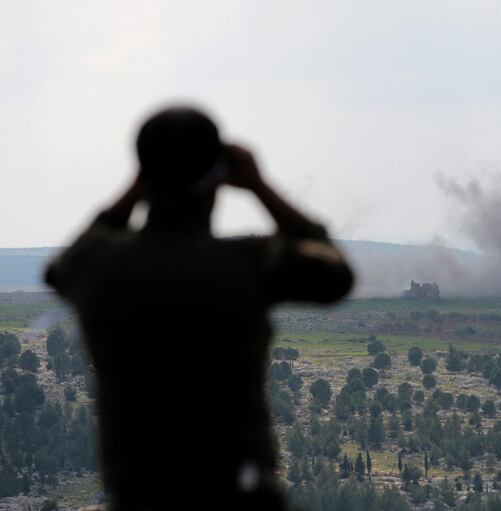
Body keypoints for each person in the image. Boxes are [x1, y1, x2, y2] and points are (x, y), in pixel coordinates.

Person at [45, 106, 354, 510]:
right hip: (238, 493)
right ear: (217, 182)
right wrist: (260, 186)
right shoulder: (247, 263)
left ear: (143, 177)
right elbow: (334, 274)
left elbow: (63, 267)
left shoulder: (100, 265)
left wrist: (137, 187)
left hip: (140, 495)